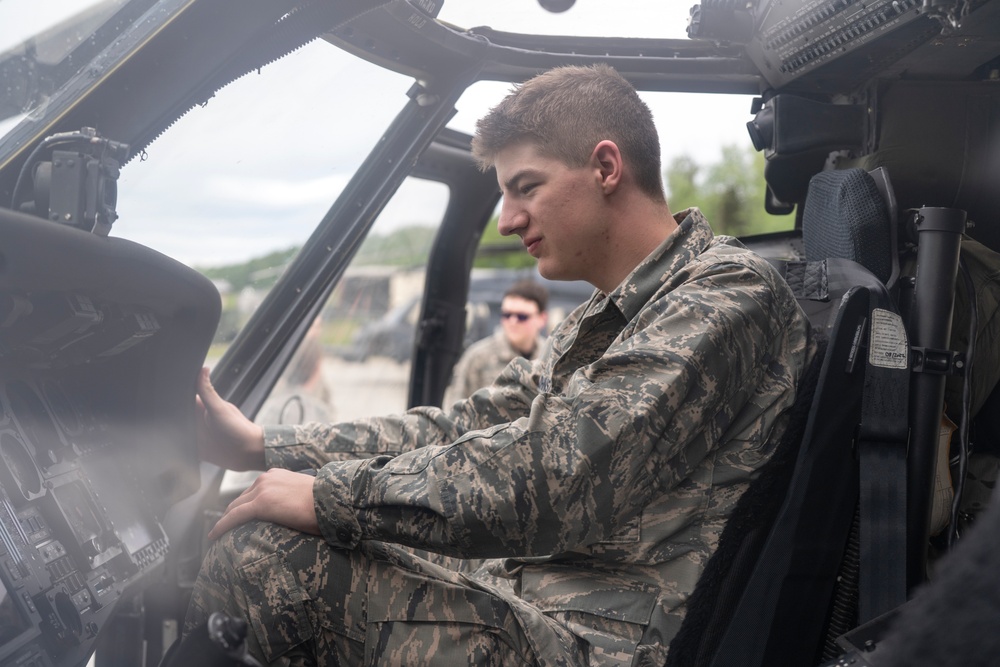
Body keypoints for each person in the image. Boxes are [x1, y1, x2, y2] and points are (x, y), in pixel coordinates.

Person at [184, 63, 816, 665]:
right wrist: (266, 446)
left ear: (605, 167)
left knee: (264, 554)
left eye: (527, 188)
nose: (509, 220)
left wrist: (331, 497)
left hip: (598, 643)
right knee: (250, 511)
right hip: (528, 601)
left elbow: (554, 474)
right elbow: (467, 426)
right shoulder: (603, 317)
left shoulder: (728, 292)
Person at [444, 280, 549, 405]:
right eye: (507, 315)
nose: (512, 321)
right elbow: (455, 410)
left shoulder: (551, 358)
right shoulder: (478, 357)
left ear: (542, 319)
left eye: (522, 316)